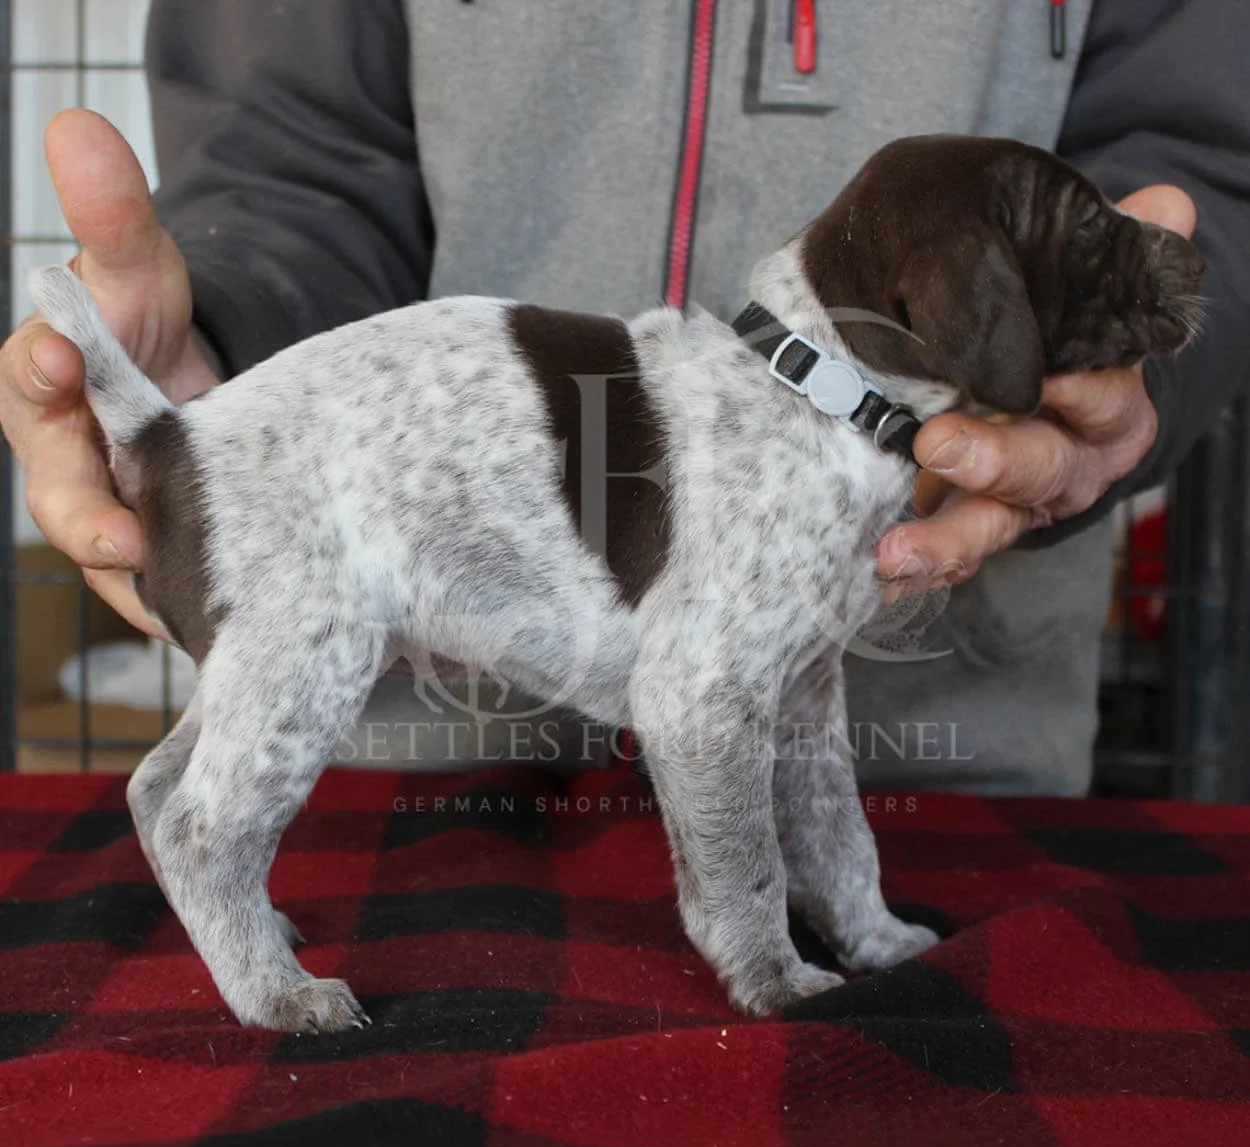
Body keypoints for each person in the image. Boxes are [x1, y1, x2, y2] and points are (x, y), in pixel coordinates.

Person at [2, 0, 1248, 795]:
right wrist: (221, 354)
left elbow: (1204, 164)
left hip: (938, 773)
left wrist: (1125, 381)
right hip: (409, 774)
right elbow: (305, 160)